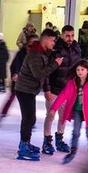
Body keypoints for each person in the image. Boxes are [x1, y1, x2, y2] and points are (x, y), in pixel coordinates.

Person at [49, 61, 88, 164]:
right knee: (76, 132)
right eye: (78, 70)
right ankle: (72, 153)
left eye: (82, 70)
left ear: (87, 70)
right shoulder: (72, 82)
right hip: (77, 111)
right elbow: (63, 95)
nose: (80, 72)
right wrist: (54, 108)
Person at [13, 30, 55, 160]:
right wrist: (55, 64)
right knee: (28, 119)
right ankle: (23, 147)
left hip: (29, 90)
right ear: (46, 40)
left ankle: (25, 143)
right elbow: (38, 73)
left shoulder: (41, 52)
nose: (54, 43)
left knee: (31, 118)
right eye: (52, 41)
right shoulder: (35, 54)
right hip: (24, 90)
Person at [46, 26, 82, 153]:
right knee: (50, 115)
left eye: (72, 35)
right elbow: (47, 71)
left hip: (68, 90)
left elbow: (79, 68)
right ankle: (47, 141)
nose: (70, 38)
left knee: (63, 116)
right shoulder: (55, 49)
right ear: (61, 35)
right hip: (55, 88)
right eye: (67, 36)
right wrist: (47, 89)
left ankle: (59, 139)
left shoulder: (76, 48)